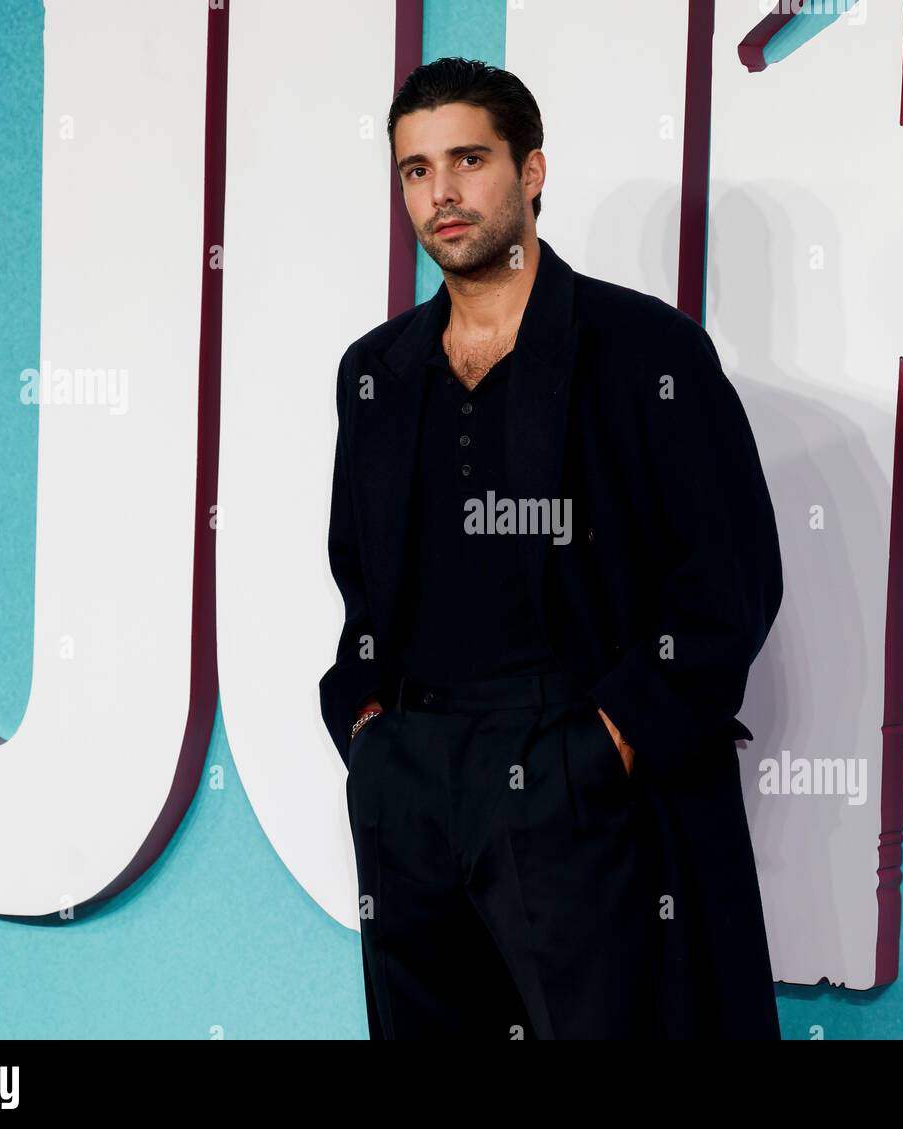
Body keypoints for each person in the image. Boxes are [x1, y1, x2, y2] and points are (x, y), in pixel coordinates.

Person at [319, 57, 783, 1039]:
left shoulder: (647, 352)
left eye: (468, 160)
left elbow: (727, 580)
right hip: (414, 778)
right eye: (413, 170)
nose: (440, 192)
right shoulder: (377, 371)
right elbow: (359, 571)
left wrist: (608, 740)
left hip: (580, 773)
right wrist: (369, 733)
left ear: (531, 172)